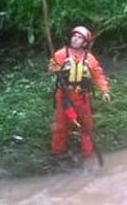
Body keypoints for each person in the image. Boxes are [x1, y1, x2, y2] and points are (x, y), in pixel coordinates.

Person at [47, 25, 111, 161]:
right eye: (74, 36)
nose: (75, 39)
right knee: (61, 125)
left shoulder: (90, 58)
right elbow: (51, 69)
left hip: (82, 97)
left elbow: (98, 75)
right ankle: (57, 152)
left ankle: (87, 154)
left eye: (79, 38)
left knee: (86, 126)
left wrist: (104, 90)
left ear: (84, 42)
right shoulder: (61, 54)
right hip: (64, 96)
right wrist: (53, 68)